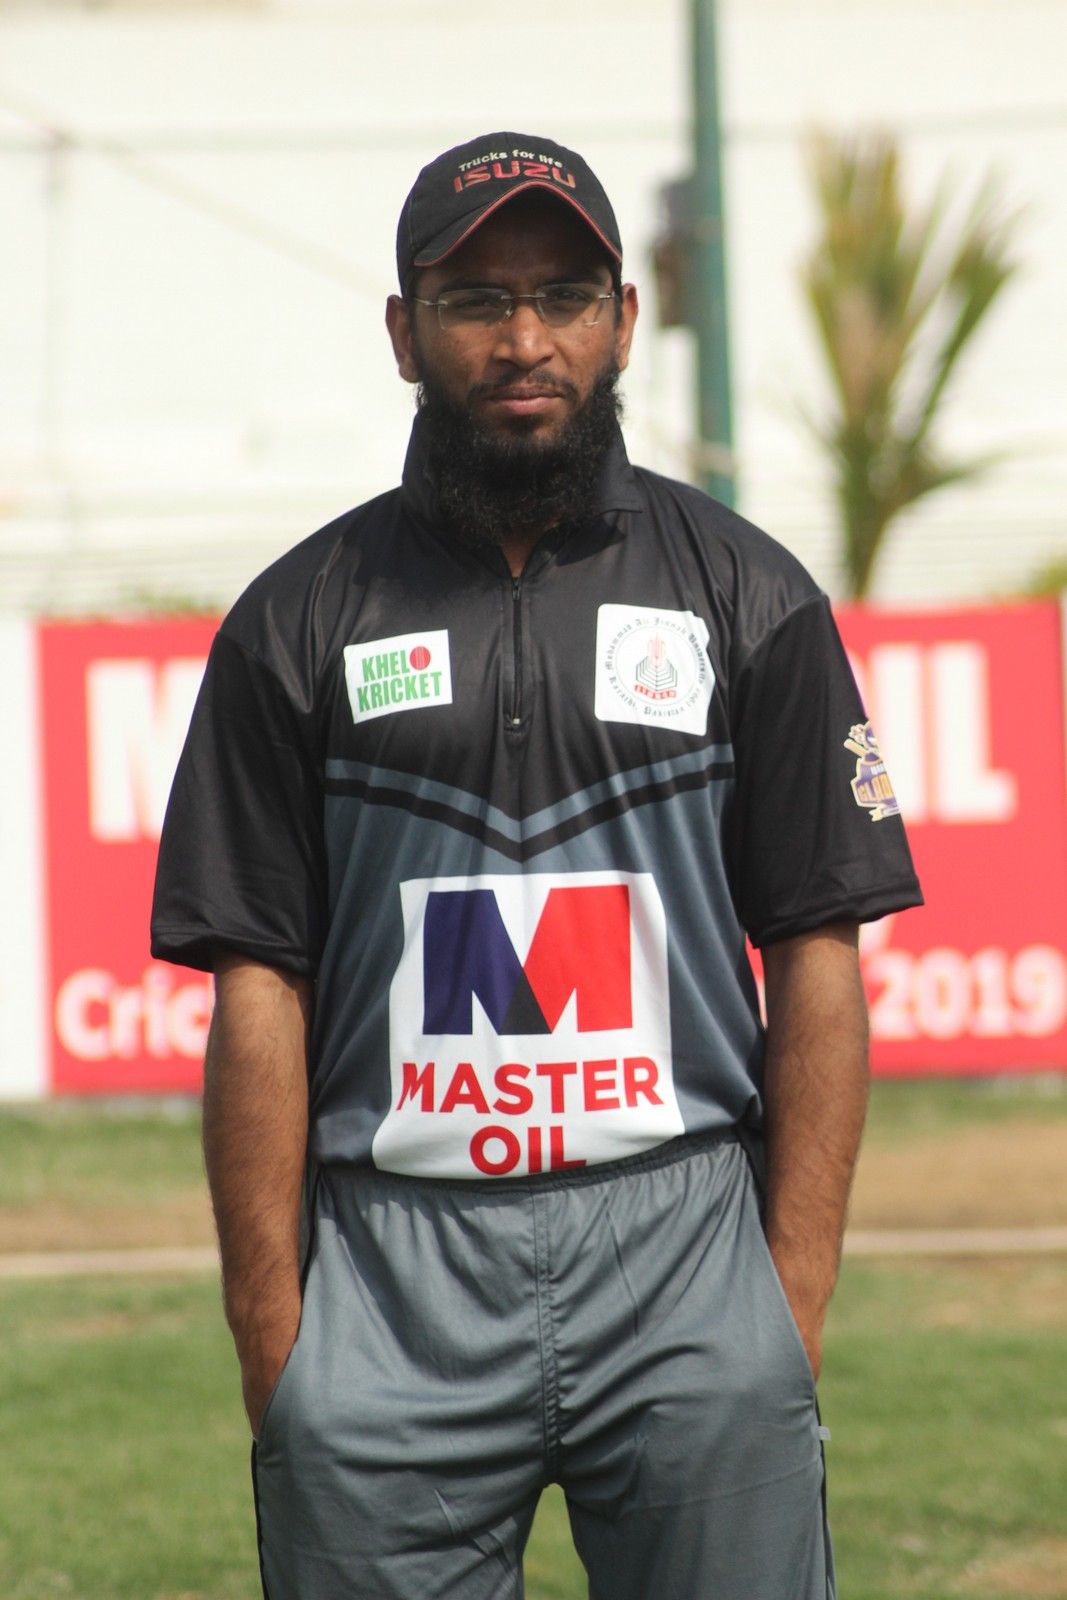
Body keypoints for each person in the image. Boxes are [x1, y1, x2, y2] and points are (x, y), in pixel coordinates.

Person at [152, 131, 922, 1600]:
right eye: (475, 301)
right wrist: (277, 1335)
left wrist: (783, 1306)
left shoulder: (750, 592)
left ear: (622, 320)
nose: (524, 341)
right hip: (390, 1263)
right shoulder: (296, 618)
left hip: (686, 1239)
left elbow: (818, 948)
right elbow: (258, 987)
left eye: (564, 297)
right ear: (404, 333)